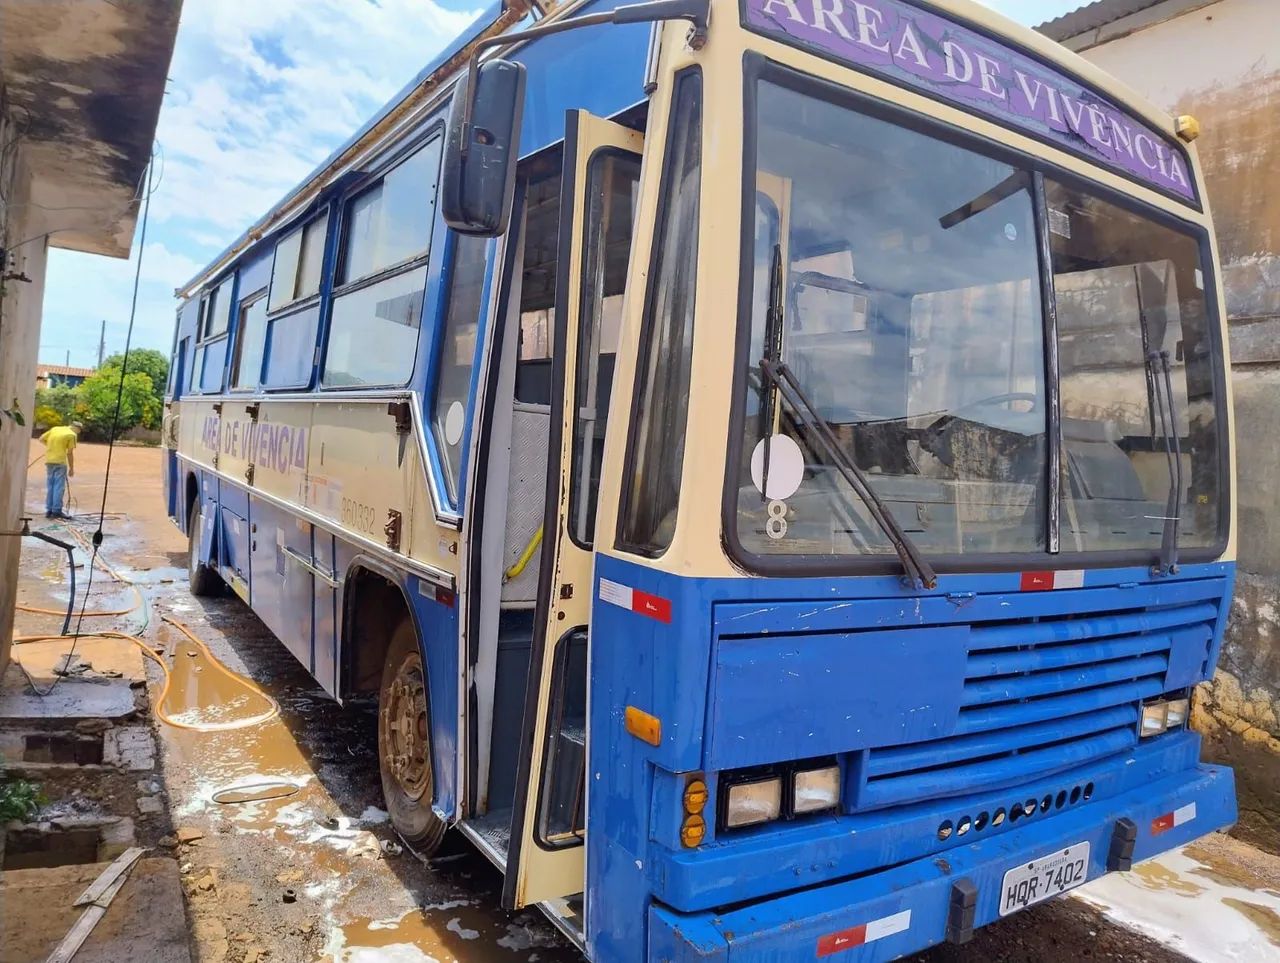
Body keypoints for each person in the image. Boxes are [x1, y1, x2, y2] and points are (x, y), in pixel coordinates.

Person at [39, 421, 81, 518]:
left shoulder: (55, 429)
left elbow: (41, 439)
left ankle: (49, 510)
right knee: (58, 487)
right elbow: (69, 453)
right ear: (77, 429)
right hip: (60, 462)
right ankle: (56, 511)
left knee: (50, 486)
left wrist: (52, 447)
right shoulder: (72, 435)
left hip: (49, 460)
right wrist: (71, 468)